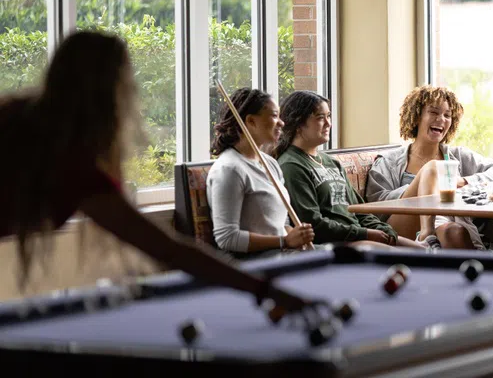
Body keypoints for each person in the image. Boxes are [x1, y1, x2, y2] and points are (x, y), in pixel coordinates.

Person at [0, 30, 312, 314]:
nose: (132, 93)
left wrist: (262, 287)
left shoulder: (33, 128)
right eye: (126, 84)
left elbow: (167, 248)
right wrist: (263, 288)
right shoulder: (71, 164)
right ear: (107, 94)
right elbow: (168, 249)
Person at [365, 85, 493, 250]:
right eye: (434, 112)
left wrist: (463, 181)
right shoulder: (389, 161)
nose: (441, 119)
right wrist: (421, 186)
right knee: (435, 169)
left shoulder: (459, 157)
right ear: (416, 116)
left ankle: (473, 272)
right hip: (402, 228)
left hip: (446, 225)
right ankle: (426, 236)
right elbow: (375, 208)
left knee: (454, 232)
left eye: (447, 115)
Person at [273, 90, 427, 250]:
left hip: (358, 236)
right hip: (335, 245)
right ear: (298, 124)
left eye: (329, 116)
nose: (328, 123)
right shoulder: (291, 166)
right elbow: (313, 225)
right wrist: (364, 234)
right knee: (404, 258)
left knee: (426, 254)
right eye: (320, 118)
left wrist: (384, 230)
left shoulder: (330, 162)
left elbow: (359, 210)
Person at [207, 87, 314, 259]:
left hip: (283, 255)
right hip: (254, 265)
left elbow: (280, 224)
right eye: (274, 116)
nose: (281, 123)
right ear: (250, 121)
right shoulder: (229, 169)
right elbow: (227, 238)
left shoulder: (270, 163)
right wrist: (284, 241)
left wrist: (296, 236)